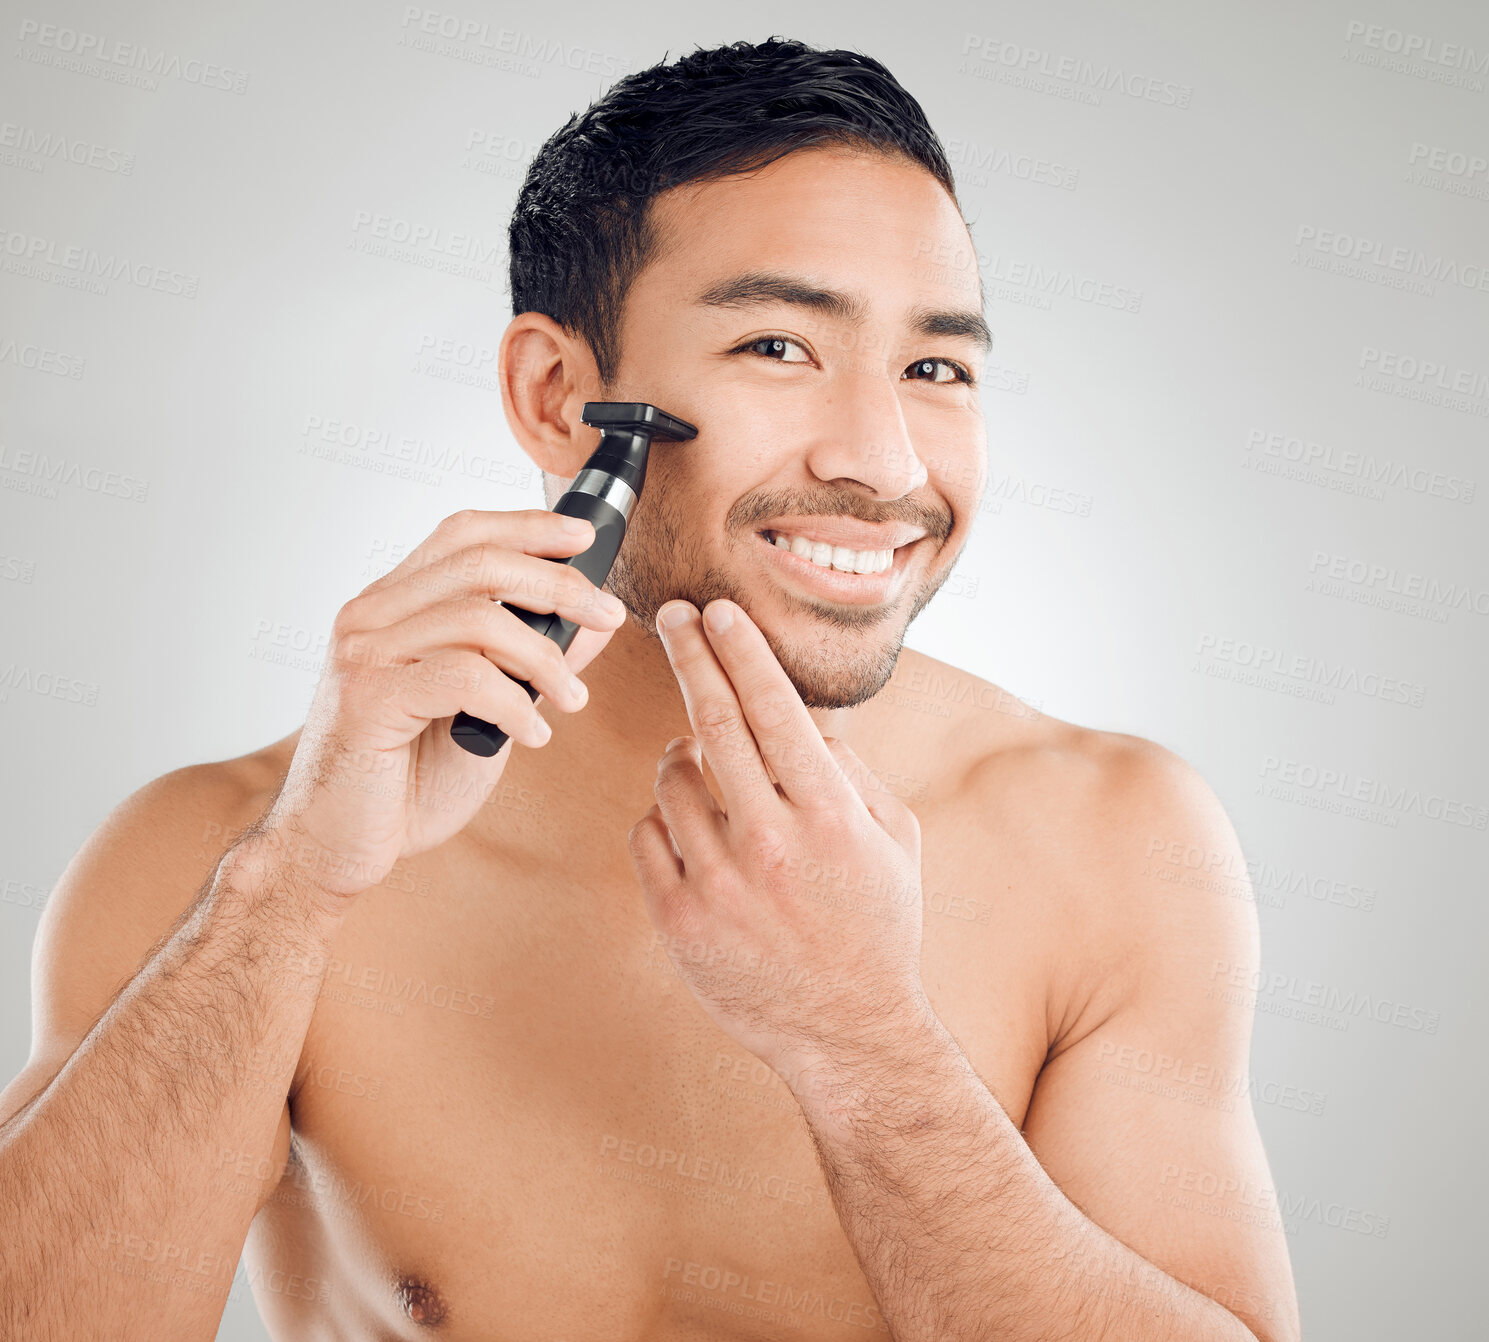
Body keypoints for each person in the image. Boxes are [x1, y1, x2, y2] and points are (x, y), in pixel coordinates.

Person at [0, 36, 1301, 1341]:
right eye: (779, 345)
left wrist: (865, 1045)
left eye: (935, 367)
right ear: (560, 394)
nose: (880, 458)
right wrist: (288, 895)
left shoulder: (1114, 847)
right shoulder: (210, 860)